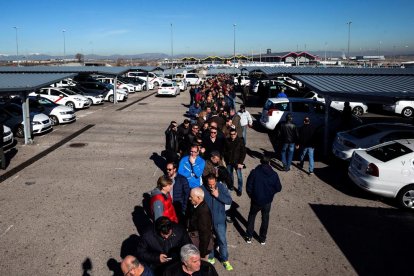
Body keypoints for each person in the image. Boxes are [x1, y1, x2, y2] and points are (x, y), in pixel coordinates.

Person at [245, 156, 282, 245]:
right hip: (267, 201)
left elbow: (248, 186)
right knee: (265, 218)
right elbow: (278, 188)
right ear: (269, 163)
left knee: (252, 216)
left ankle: (249, 236)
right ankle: (262, 238)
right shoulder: (274, 174)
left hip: (256, 200)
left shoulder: (254, 173)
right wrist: (270, 193)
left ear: (261, 162)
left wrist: (252, 195)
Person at [201, 174, 233, 271]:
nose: (211, 186)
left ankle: (225, 259)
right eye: (209, 185)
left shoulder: (221, 187)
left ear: (216, 181)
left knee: (222, 240)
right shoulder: (201, 189)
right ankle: (211, 257)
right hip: (207, 221)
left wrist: (218, 195)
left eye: (213, 184)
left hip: (219, 220)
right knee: (209, 240)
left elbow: (229, 200)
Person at [186, 188, 213, 259]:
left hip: (200, 248)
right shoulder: (196, 205)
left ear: (198, 198)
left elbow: (205, 234)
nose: (189, 198)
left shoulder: (203, 212)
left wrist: (202, 253)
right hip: (195, 242)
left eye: (191, 197)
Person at [224, 129, 246, 197]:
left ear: (236, 134)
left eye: (234, 134)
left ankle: (239, 190)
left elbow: (243, 153)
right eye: (231, 134)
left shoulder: (240, 141)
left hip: (237, 163)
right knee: (230, 176)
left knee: (239, 177)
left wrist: (240, 162)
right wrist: (226, 160)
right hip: (229, 162)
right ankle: (231, 186)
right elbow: (225, 151)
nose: (232, 135)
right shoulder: (227, 140)